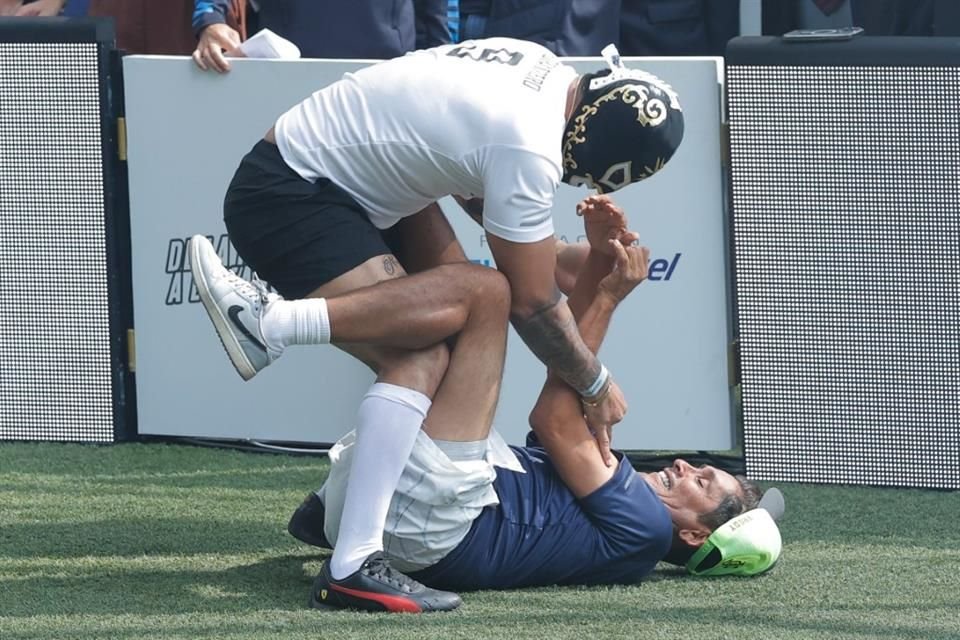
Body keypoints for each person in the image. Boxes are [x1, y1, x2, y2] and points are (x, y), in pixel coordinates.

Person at [188, 36, 684, 613]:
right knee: (427, 349)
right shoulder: (530, 147)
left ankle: (337, 506)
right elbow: (530, 301)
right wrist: (595, 384)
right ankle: (274, 328)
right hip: (300, 194)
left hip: (327, 181)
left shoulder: (539, 69)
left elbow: (522, 247)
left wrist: (597, 264)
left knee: (465, 320)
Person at [288, 196, 765, 603]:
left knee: (485, 293)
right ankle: (330, 510)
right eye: (701, 469)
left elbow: (554, 415)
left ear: (693, 535)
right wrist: (600, 259)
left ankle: (277, 325)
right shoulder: (618, 511)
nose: (685, 466)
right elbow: (563, 360)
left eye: (702, 483)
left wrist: (611, 299)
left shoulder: (647, 526)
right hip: (402, 518)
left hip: (430, 526)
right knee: (428, 232)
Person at [191, 0, 450, 73]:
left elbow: (437, 13)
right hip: (288, 73)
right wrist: (209, 18)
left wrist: (443, 58)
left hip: (382, 76)